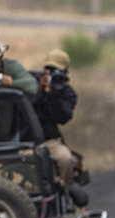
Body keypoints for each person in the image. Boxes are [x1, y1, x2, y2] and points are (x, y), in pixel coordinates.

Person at [29, 49, 78, 187]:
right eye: (49, 70)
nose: (53, 75)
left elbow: (63, 118)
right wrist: (40, 90)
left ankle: (61, 192)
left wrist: (53, 95)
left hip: (48, 140)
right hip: (24, 140)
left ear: (66, 74)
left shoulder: (67, 93)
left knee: (66, 159)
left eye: (57, 71)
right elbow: (24, 105)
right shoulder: (31, 81)